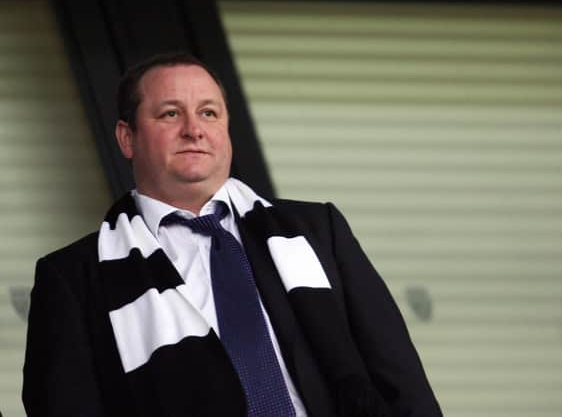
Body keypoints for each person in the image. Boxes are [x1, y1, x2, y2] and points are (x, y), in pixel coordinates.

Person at [22, 52, 442, 417]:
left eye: (208, 112)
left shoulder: (319, 232)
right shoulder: (72, 279)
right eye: (170, 113)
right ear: (127, 138)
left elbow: (400, 378)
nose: (194, 129)